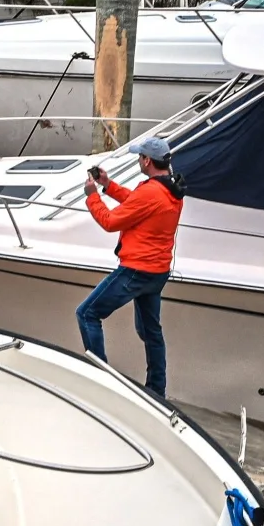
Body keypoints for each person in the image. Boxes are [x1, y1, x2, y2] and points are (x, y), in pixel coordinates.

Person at [76, 134, 185, 399]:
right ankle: (157, 389)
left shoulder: (150, 192)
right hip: (157, 272)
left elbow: (111, 222)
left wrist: (92, 196)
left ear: (147, 161)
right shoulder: (170, 189)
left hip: (136, 271)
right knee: (150, 331)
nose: (138, 160)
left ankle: (102, 379)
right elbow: (137, 203)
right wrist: (107, 185)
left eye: (139, 156)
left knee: (87, 314)